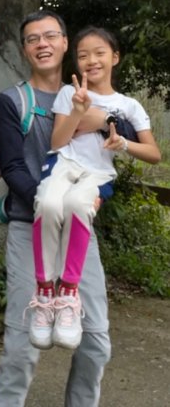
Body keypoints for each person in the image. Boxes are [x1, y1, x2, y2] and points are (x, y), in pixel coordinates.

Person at [0, 11, 135, 407]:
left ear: (65, 43)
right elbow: (13, 167)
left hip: (77, 233)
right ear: (24, 49)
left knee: (95, 344)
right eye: (33, 38)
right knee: (22, 349)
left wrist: (97, 196)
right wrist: (47, 202)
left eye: (51, 35)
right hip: (28, 228)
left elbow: (106, 163)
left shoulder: (100, 103)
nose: (43, 43)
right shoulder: (11, 102)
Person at [28, 26, 161, 352]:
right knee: (46, 203)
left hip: (97, 173)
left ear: (115, 57)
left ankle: (69, 293)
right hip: (64, 165)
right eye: (83, 55)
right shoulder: (68, 94)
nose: (91, 60)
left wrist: (124, 143)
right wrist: (77, 109)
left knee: (75, 205)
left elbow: (154, 154)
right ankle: (45, 293)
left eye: (99, 53)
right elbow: (58, 142)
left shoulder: (129, 105)